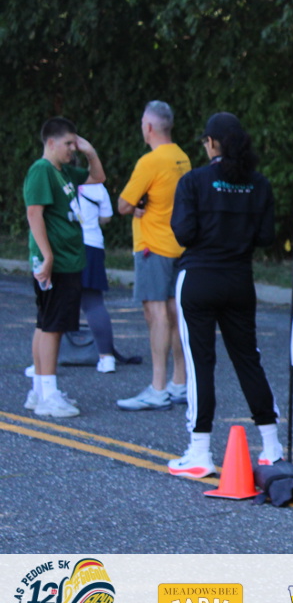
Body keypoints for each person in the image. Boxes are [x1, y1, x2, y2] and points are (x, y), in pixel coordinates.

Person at [166, 112, 283, 478]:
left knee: (200, 363)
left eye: (205, 141)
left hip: (199, 278)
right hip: (239, 280)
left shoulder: (193, 181)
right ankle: (272, 447)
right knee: (248, 359)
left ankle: (199, 451)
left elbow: (183, 233)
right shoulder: (259, 184)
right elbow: (265, 236)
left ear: (213, 143)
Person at [23, 117, 106, 417]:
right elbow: (34, 214)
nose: (73, 148)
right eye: (68, 143)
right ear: (51, 143)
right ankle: (49, 395)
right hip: (57, 260)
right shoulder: (42, 170)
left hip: (68, 258)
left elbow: (98, 177)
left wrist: (90, 151)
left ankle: (39, 391)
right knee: (53, 327)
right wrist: (47, 257)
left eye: (75, 142)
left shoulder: (64, 171)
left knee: (45, 323)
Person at [116, 100, 191, 411]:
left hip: (152, 247)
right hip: (178, 245)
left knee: (156, 314)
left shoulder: (150, 161)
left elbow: (123, 205)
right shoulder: (182, 158)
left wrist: (136, 206)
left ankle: (157, 388)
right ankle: (179, 382)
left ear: (148, 127)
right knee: (175, 313)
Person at [73, 182, 118, 373]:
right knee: (93, 303)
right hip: (92, 244)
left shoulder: (59, 181)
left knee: (55, 303)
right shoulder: (98, 187)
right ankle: (107, 358)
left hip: (65, 245)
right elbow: (106, 217)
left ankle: (43, 363)